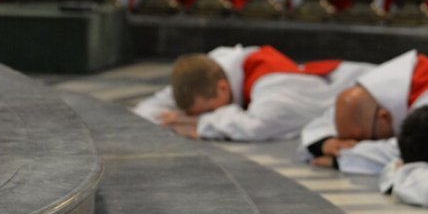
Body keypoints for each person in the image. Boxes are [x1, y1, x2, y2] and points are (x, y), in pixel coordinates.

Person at [132, 45, 373, 142]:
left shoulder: (274, 87)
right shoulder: (211, 70)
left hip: (364, 87)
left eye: (209, 109)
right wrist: (180, 116)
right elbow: (148, 109)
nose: (209, 113)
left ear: (223, 89)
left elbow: (258, 126)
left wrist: (201, 122)